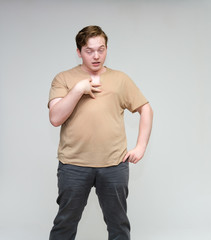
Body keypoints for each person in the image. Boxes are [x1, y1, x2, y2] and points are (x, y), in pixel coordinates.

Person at [48, 25, 153, 240]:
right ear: (79, 52)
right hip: (73, 165)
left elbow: (146, 109)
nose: (96, 56)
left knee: (119, 225)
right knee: (65, 224)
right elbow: (55, 118)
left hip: (114, 165)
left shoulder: (120, 79)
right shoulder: (64, 79)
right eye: (89, 50)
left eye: (101, 49)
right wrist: (78, 90)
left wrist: (141, 146)